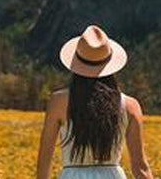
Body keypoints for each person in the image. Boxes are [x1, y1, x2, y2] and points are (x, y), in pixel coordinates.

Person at [36, 25, 154, 179]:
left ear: (76, 63)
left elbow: (44, 161)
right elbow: (141, 168)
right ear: (110, 65)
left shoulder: (59, 102)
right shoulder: (130, 106)